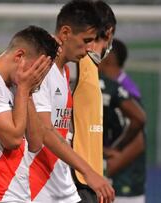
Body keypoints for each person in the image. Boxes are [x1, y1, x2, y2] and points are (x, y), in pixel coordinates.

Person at [29, 1, 114, 203]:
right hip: (38, 188)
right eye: (85, 41)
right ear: (65, 33)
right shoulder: (42, 66)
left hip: (60, 184)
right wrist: (89, 172)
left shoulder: (65, 71)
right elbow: (44, 131)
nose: (88, 49)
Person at [0, 25, 58, 203]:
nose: (38, 78)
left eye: (43, 73)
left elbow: (36, 142)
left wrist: (27, 91)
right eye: (37, 69)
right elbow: (12, 140)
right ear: (19, 56)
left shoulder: (19, 84)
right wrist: (23, 89)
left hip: (18, 195)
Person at [72, 1, 116, 202]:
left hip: (90, 180)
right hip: (77, 180)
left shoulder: (90, 67)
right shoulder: (76, 65)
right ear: (109, 32)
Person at [100, 38, 147, 203]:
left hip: (124, 185)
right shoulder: (115, 86)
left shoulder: (124, 91)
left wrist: (104, 171)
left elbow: (138, 142)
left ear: (108, 58)